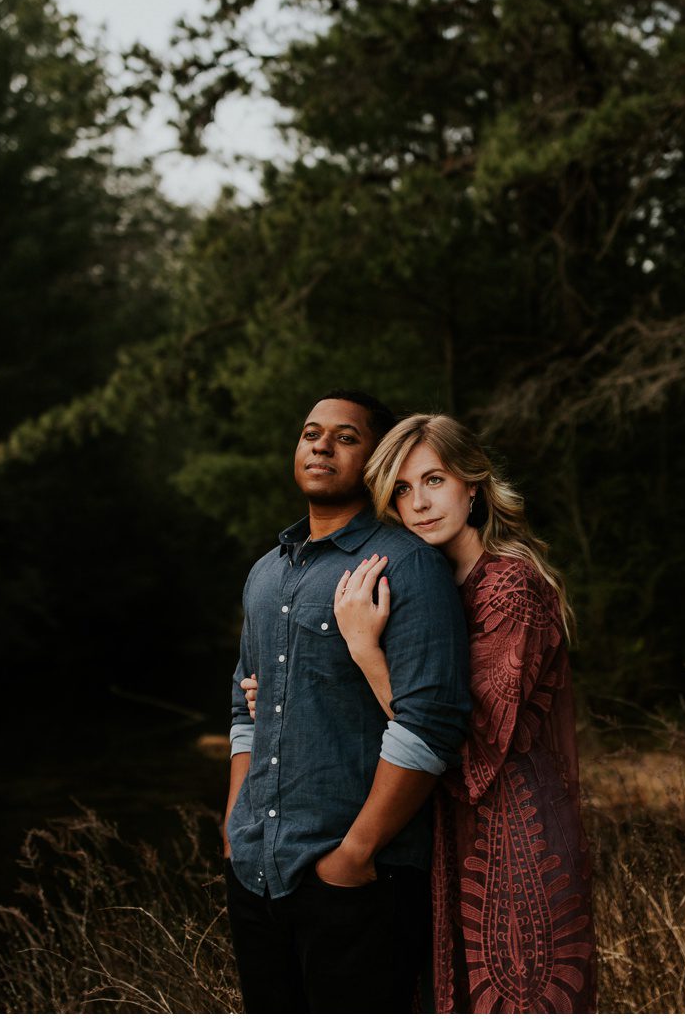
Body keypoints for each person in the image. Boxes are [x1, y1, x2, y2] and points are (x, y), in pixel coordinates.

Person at [245, 413, 596, 1012]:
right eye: (402, 490)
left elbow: (463, 745)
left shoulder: (512, 589)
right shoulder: (432, 583)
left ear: (474, 486)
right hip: (440, 844)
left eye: (434, 480)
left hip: (512, 845)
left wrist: (364, 650)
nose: (420, 504)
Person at [223, 390, 471, 1013]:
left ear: (375, 458)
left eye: (345, 436)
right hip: (258, 872)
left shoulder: (407, 565)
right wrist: (234, 830)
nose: (321, 446)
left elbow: (431, 724)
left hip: (359, 879)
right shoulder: (265, 574)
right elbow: (242, 712)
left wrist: (355, 854)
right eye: (311, 433)